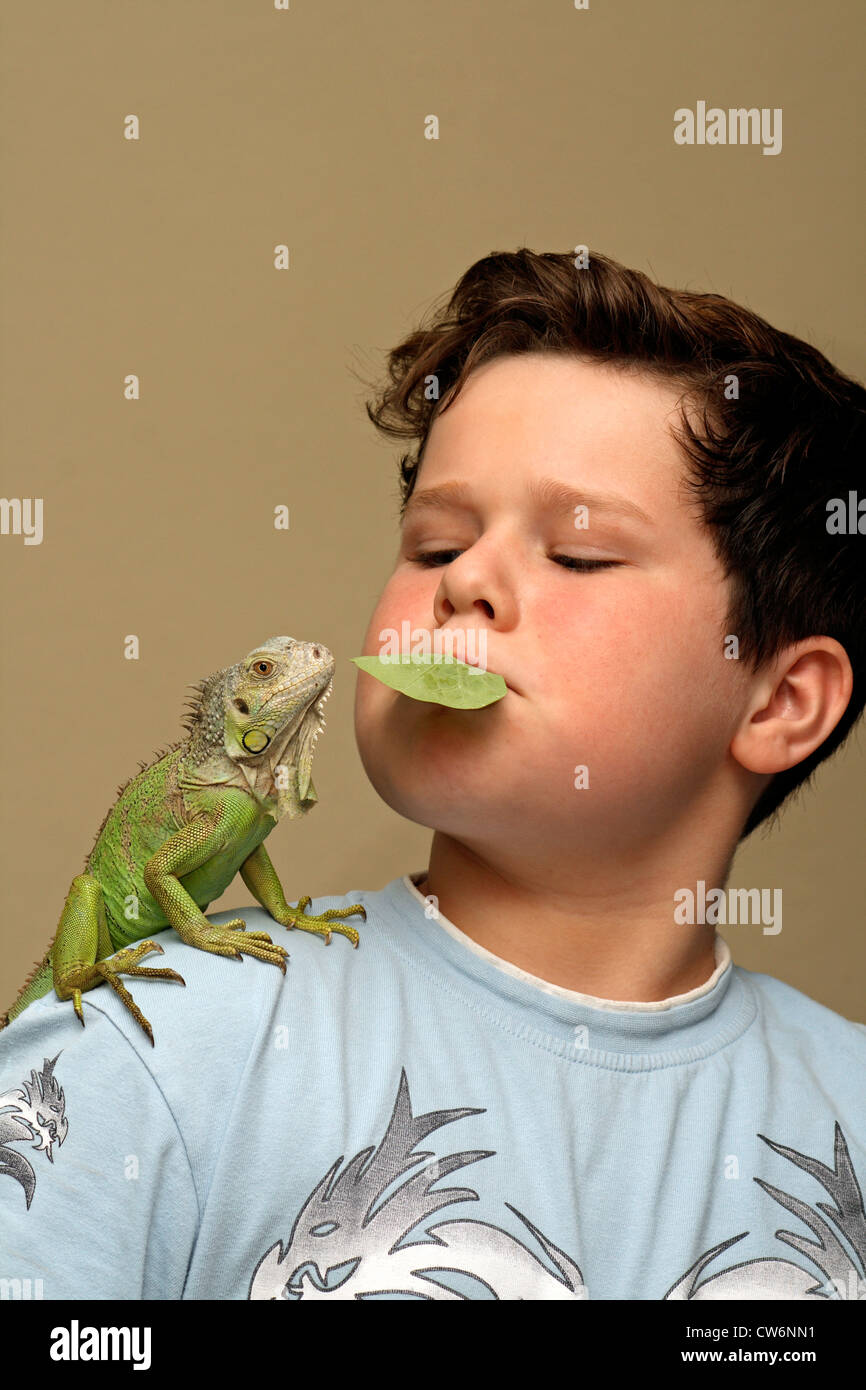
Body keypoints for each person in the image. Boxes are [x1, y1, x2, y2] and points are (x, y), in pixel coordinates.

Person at [1, 249, 864, 1301]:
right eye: (432, 542)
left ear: (778, 701)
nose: (464, 581)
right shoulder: (148, 1040)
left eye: (578, 554)